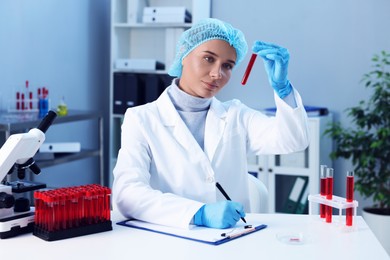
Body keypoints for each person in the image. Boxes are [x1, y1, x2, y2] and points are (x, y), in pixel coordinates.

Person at [113, 18, 309, 229]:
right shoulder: (141, 119)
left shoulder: (236, 114)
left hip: (233, 240)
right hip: (171, 239)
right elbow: (128, 194)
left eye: (227, 65)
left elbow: (293, 141)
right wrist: (198, 213)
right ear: (184, 53)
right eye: (208, 58)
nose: (217, 73)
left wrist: (283, 89)